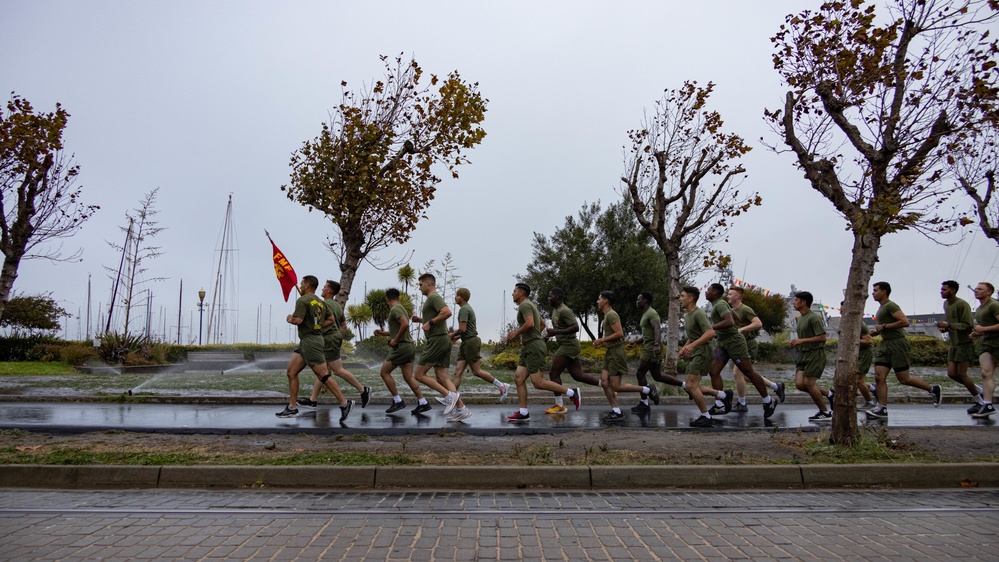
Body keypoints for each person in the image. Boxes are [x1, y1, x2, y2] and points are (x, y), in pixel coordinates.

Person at [276, 275, 354, 423]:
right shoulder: (320, 302)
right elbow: (330, 320)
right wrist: (316, 325)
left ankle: (345, 403)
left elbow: (297, 320)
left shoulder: (302, 300)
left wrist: (289, 318)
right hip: (307, 341)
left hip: (311, 342)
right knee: (291, 372)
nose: (300, 285)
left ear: (307, 286)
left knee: (323, 375)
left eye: (302, 283)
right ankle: (292, 408)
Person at [506, 282, 581, 423]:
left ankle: (572, 393)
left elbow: (530, 324)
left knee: (538, 382)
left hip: (534, 347)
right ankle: (523, 413)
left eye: (514, 291)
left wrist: (516, 333)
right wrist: (533, 337)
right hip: (530, 346)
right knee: (519, 378)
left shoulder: (525, 305)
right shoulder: (530, 305)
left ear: (521, 293)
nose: (512, 293)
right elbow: (542, 324)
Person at [866, 281, 942, 419]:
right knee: (879, 376)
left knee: (904, 379)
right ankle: (882, 408)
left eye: (876, 290)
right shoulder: (881, 308)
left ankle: (932, 389)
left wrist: (884, 326)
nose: (873, 293)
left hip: (898, 344)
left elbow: (905, 322)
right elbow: (888, 326)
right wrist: (878, 332)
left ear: (884, 292)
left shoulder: (891, 305)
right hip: (886, 344)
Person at [705, 283, 777, 419]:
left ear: (714, 292)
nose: (706, 292)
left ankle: (768, 400)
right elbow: (736, 319)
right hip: (724, 342)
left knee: (748, 372)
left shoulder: (720, 305)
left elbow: (730, 322)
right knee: (713, 371)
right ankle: (720, 403)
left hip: (734, 342)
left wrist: (711, 328)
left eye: (708, 290)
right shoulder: (721, 304)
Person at [298, 280, 371, 411]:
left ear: (329, 291)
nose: (322, 289)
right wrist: (338, 337)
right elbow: (343, 325)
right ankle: (312, 400)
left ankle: (362, 390)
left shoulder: (324, 304)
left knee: (334, 370)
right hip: (333, 338)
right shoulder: (337, 305)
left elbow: (317, 322)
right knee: (324, 371)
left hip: (327, 339)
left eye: (325, 287)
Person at [594, 290, 658, 423]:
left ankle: (647, 389)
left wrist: (602, 339)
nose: (597, 301)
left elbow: (620, 333)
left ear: (606, 300)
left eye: (599, 299)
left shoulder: (611, 315)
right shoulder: (607, 315)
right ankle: (616, 411)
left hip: (616, 353)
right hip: (610, 352)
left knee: (616, 386)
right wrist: (603, 343)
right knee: (605, 382)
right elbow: (614, 337)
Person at [411, 273, 463, 419]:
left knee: (418, 374)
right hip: (442, 339)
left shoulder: (434, 297)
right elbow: (436, 317)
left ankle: (448, 396)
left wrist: (430, 322)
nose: (419, 287)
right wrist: (422, 320)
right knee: (442, 377)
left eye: (420, 284)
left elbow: (446, 312)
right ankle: (461, 408)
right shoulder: (431, 299)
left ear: (429, 283)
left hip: (437, 340)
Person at [542, 288, 602, 414]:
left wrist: (556, 332)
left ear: (557, 297)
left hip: (569, 345)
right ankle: (606, 386)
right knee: (578, 375)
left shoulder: (565, 310)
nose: (548, 298)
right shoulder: (555, 311)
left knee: (553, 373)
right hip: (566, 344)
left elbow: (575, 327)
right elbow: (560, 327)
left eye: (550, 296)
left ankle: (560, 405)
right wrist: (548, 336)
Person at [727, 287, 785, 412]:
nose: (727, 296)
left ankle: (742, 403)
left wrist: (742, 330)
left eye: (730, 294)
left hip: (748, 344)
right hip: (738, 346)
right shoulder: (731, 311)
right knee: (747, 376)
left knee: (737, 373)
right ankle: (776, 386)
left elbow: (758, 323)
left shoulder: (745, 309)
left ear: (738, 296)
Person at [449, 287, 510, 403]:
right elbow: (465, 331)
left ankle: (502, 386)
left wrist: (451, 335)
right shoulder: (466, 309)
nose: (455, 297)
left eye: (457, 295)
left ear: (463, 298)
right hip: (466, 341)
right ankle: (451, 397)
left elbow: (462, 329)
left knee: (476, 371)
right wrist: (454, 337)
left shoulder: (464, 309)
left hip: (470, 342)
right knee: (458, 371)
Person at [628, 291, 685, 414]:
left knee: (640, 373)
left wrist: (656, 345)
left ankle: (644, 403)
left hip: (651, 348)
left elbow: (657, 329)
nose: (637, 302)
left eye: (639, 300)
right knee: (657, 376)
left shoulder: (652, 313)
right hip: (650, 346)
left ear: (645, 301)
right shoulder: (645, 314)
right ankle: (686, 386)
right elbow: (648, 334)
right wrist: (636, 342)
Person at [936, 280, 986, 414]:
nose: (941, 292)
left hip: (965, 344)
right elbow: (951, 324)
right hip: (954, 344)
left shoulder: (962, 304)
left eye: (944, 289)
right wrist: (945, 329)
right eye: (941, 289)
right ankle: (979, 390)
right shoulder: (946, 304)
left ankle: (979, 402)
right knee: (952, 374)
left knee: (961, 374)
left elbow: (968, 325)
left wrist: (949, 326)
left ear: (952, 290)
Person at [678, 286, 725, 427]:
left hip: (702, 351)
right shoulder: (688, 315)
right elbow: (694, 336)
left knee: (691, 385)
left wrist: (691, 346)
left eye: (682, 296)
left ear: (691, 298)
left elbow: (710, 333)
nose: (680, 299)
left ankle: (706, 416)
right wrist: (685, 347)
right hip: (695, 351)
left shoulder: (699, 313)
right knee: (690, 386)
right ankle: (723, 395)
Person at [372, 288, 418, 415]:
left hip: (401, 347)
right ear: (399, 297)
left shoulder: (395, 309)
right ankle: (423, 402)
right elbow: (398, 328)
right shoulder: (401, 308)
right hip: (409, 346)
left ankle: (397, 400)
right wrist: (383, 333)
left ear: (387, 299)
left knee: (384, 372)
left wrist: (395, 341)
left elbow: (405, 324)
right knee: (408, 377)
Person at [789, 291, 831, 422]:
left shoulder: (814, 318)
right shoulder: (800, 318)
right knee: (799, 384)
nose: (793, 302)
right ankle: (829, 394)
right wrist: (797, 343)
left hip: (815, 354)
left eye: (796, 300)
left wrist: (801, 341)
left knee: (809, 383)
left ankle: (825, 412)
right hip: (803, 354)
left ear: (804, 302)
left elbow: (823, 337)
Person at [970, 282, 999, 417]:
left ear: (989, 292)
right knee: (985, 373)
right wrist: (978, 333)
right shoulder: (980, 308)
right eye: (976, 289)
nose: (976, 291)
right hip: (987, 343)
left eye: (980, 289)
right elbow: (984, 326)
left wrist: (983, 329)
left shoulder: (994, 305)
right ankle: (987, 404)